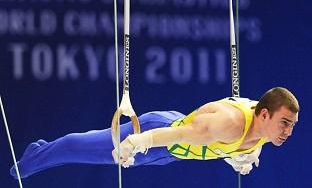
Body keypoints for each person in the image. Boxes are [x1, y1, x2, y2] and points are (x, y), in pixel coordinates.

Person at [10, 87, 299, 179]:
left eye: (292, 126)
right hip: (160, 134)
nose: (287, 132)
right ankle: (32, 159)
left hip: (170, 154)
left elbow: (243, 141)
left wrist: (243, 155)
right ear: (264, 114)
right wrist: (137, 141)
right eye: (285, 123)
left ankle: (43, 151)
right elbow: (183, 136)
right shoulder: (228, 123)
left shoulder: (266, 129)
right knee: (82, 148)